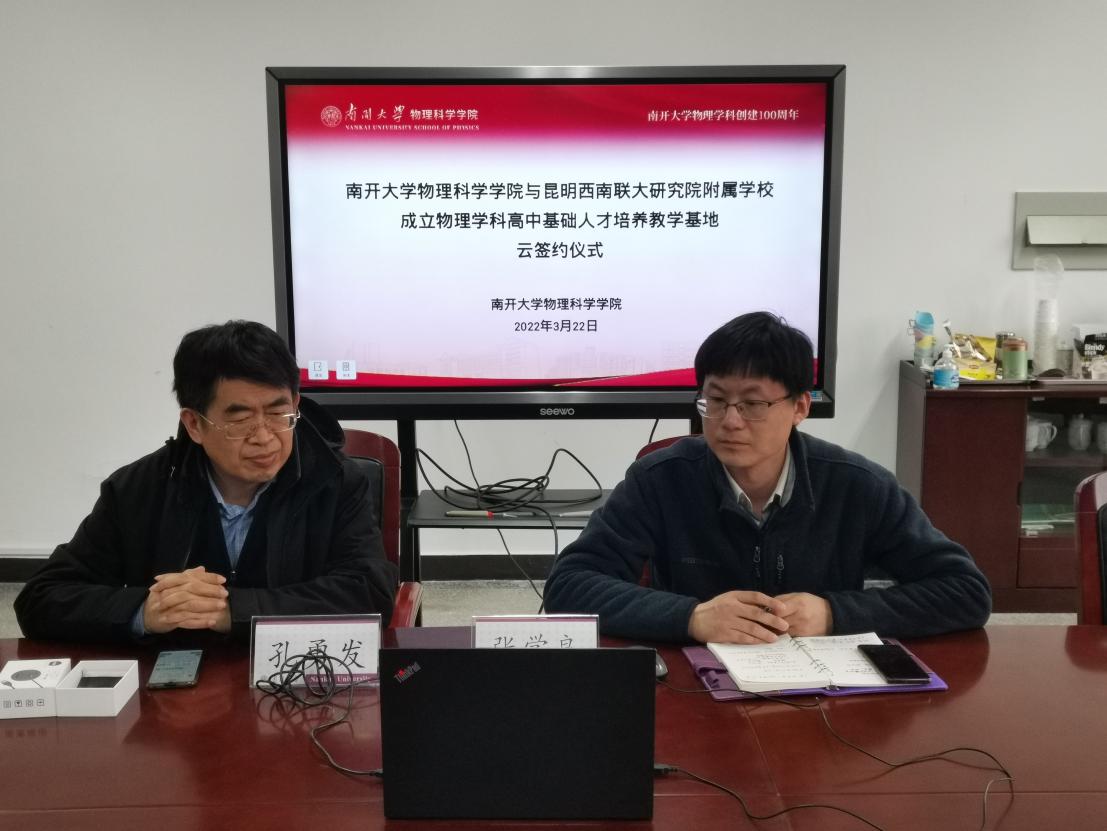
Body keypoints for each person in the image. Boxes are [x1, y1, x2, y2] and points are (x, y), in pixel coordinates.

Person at [543, 312, 991, 643]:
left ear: (800, 407)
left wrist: (835, 614)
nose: (729, 421)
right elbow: (569, 585)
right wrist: (691, 617)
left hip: (825, 694)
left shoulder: (858, 486)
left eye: (753, 404)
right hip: (695, 689)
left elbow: (965, 592)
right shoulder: (660, 479)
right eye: (716, 401)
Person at [15, 321, 397, 643]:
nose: (264, 437)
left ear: (296, 404)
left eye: (278, 413)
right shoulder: (138, 489)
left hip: (296, 680)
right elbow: (42, 599)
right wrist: (145, 611)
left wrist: (235, 611)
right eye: (240, 420)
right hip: (175, 689)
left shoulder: (335, 481)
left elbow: (368, 592)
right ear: (194, 424)